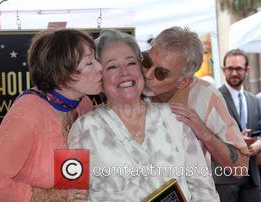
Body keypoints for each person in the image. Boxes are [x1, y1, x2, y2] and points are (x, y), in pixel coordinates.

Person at [68, 29, 219, 201]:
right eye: (112, 66)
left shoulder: (175, 118)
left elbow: (204, 189)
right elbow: (69, 196)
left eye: (131, 63)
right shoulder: (81, 129)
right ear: (99, 75)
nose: (124, 72)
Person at [0, 29, 102, 202]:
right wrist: (52, 196)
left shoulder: (83, 104)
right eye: (89, 63)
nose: (100, 67)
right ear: (61, 71)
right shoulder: (27, 115)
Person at [142, 26, 249, 173]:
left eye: (161, 73)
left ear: (183, 82)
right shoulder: (127, 83)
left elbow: (241, 168)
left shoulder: (206, 96)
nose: (147, 74)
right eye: (146, 62)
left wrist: (205, 134)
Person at [216, 49, 261, 201]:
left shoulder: (253, 100)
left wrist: (259, 144)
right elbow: (205, 134)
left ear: (247, 70)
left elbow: (260, 131)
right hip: (225, 177)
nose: (234, 73)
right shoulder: (214, 98)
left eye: (238, 69)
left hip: (252, 178)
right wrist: (233, 141)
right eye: (230, 68)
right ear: (223, 70)